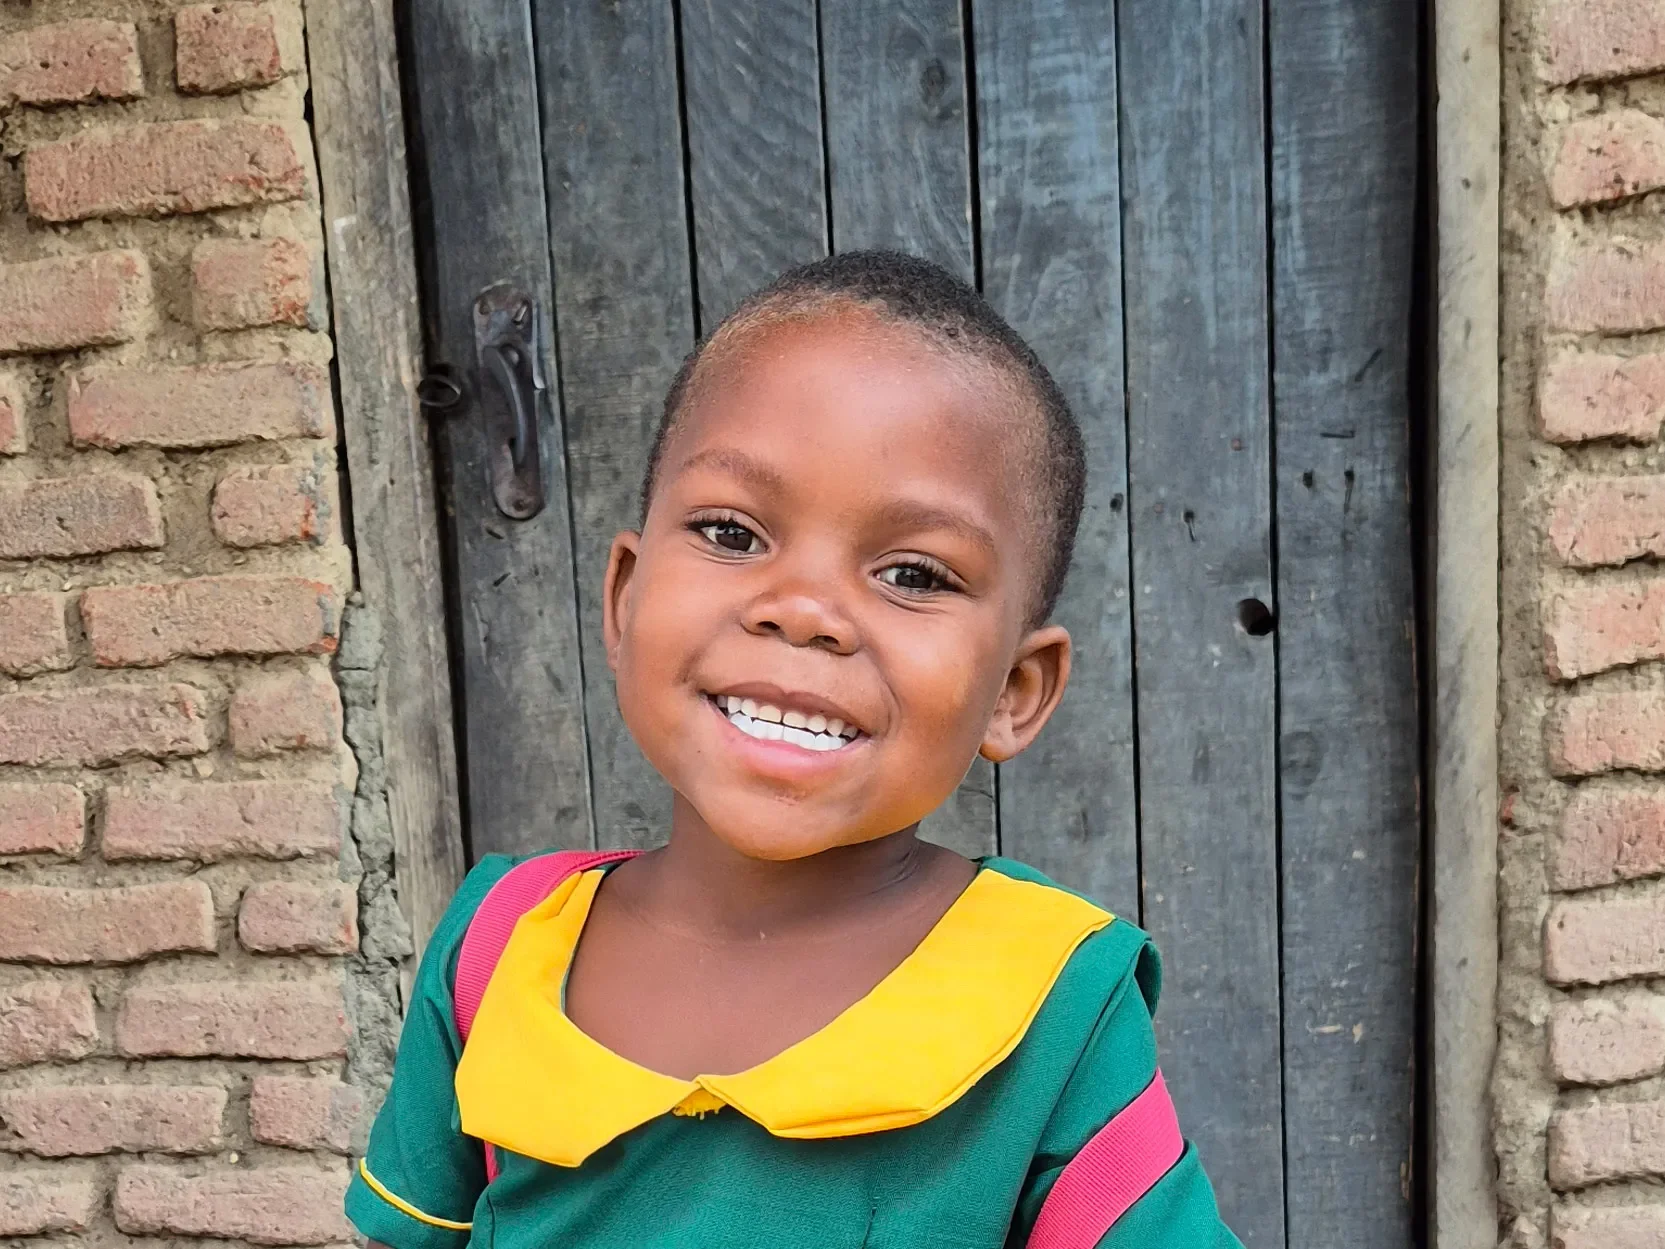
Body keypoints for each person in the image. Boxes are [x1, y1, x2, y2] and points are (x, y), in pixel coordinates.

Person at [344, 251, 1242, 1248]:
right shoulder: (499, 943)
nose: (804, 609)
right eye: (731, 533)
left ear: (1013, 691)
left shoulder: (1055, 1000)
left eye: (913, 573)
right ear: (625, 598)